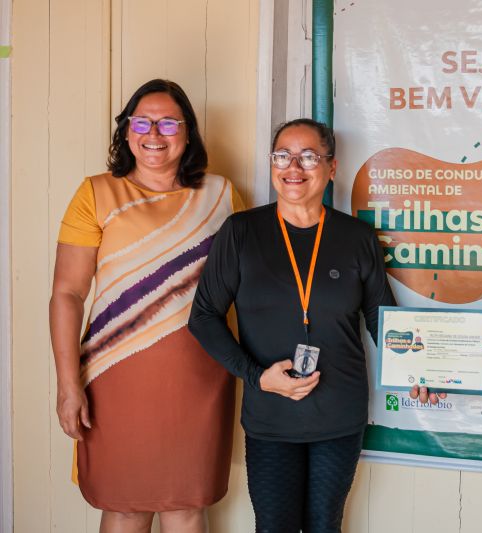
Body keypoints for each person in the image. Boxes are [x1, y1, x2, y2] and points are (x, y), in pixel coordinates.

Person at [50, 79, 242, 532]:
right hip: (114, 375)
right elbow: (67, 294)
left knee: (188, 505)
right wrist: (67, 385)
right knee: (123, 505)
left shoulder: (222, 195)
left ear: (188, 132)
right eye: (142, 122)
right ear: (126, 130)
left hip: (201, 377)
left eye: (169, 123)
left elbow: (247, 288)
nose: (154, 134)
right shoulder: (95, 193)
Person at [188, 118, 395, 532]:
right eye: (282, 156)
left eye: (309, 157)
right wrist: (256, 376)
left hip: (338, 413)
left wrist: (419, 373)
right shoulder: (242, 232)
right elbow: (204, 317)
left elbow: (383, 319)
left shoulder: (356, 237)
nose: (294, 167)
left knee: (325, 525)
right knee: (274, 526)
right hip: (271, 416)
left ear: (332, 167)